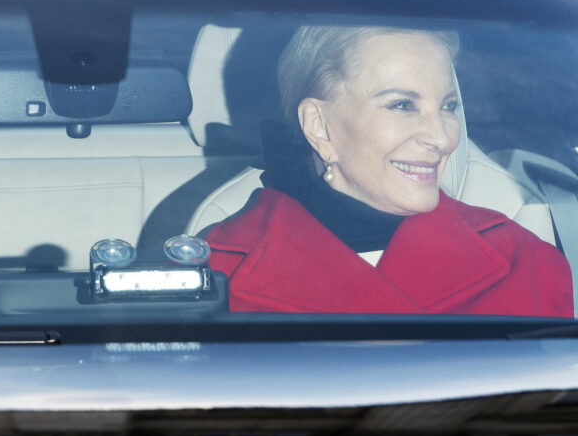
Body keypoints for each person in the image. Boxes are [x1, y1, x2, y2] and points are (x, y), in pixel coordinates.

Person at [204, 26, 573, 316]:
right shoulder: (218, 271)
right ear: (319, 126)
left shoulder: (526, 261)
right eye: (401, 105)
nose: (442, 137)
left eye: (447, 106)